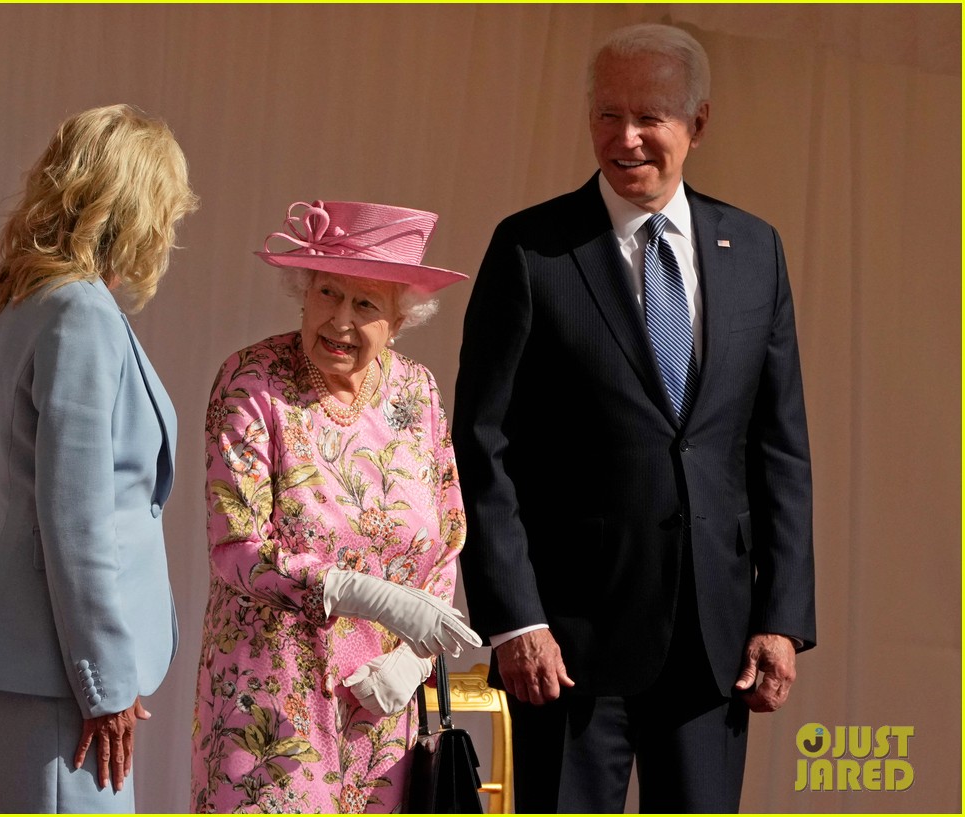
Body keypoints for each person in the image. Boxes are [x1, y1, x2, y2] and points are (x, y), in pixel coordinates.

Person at [453, 23, 816, 813]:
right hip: (567, 650)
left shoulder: (755, 251)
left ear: (698, 123)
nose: (626, 138)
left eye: (650, 116)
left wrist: (781, 616)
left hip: (712, 644)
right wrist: (516, 619)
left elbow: (779, 447)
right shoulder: (531, 250)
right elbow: (483, 445)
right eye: (607, 114)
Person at [0, 104, 199, 812]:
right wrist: (105, 683)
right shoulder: (79, 313)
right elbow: (76, 518)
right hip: (57, 665)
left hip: (26, 650)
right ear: (138, 206)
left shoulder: (25, 301)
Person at [190, 200, 481, 813]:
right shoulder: (253, 382)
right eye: (327, 293)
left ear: (401, 318)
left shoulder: (418, 391)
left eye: (366, 304)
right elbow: (234, 548)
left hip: (383, 703)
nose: (340, 321)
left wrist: (411, 659)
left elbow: (447, 535)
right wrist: (367, 594)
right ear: (303, 291)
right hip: (273, 704)